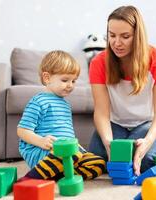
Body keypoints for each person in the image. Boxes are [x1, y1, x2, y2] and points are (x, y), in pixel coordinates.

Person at [88, 5, 156, 176]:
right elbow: (101, 112)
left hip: (147, 124)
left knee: (145, 161)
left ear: (138, 36)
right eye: (112, 35)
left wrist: (148, 142)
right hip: (116, 124)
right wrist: (108, 142)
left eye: (125, 36)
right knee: (96, 161)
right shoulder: (99, 63)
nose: (117, 43)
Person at [17, 50, 105, 181]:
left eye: (73, 81)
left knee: (98, 162)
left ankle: (63, 174)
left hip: (65, 151)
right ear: (47, 78)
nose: (70, 85)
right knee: (71, 152)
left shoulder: (65, 104)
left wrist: (77, 147)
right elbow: (22, 131)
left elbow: (66, 134)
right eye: (65, 80)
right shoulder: (39, 102)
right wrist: (41, 141)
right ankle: (32, 177)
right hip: (42, 151)